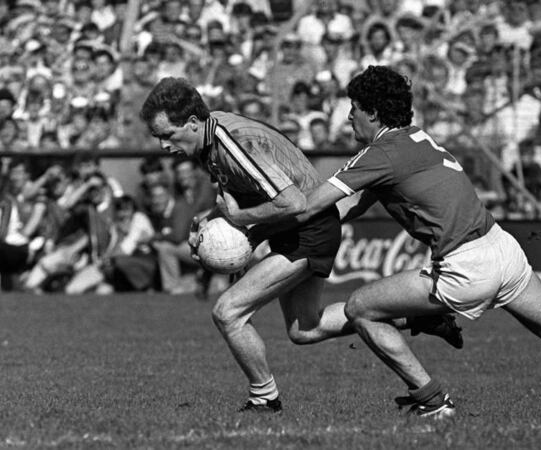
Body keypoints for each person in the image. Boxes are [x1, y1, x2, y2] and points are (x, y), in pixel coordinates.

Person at [242, 65, 541, 419]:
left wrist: (247, 223)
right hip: (504, 248)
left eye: (352, 111)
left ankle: (432, 399)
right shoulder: (416, 140)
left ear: (372, 114)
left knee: (362, 307)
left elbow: (307, 205)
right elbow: (354, 204)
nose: (348, 120)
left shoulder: (379, 151)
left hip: (466, 266)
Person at [138, 77, 459, 412]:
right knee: (305, 328)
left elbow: (293, 203)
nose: (162, 145)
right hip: (301, 227)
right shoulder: (210, 137)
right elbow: (254, 198)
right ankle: (416, 318)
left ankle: (264, 399)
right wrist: (211, 221)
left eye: (166, 135)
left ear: (191, 123)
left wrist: (239, 220)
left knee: (228, 312)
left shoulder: (234, 142)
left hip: (309, 229)